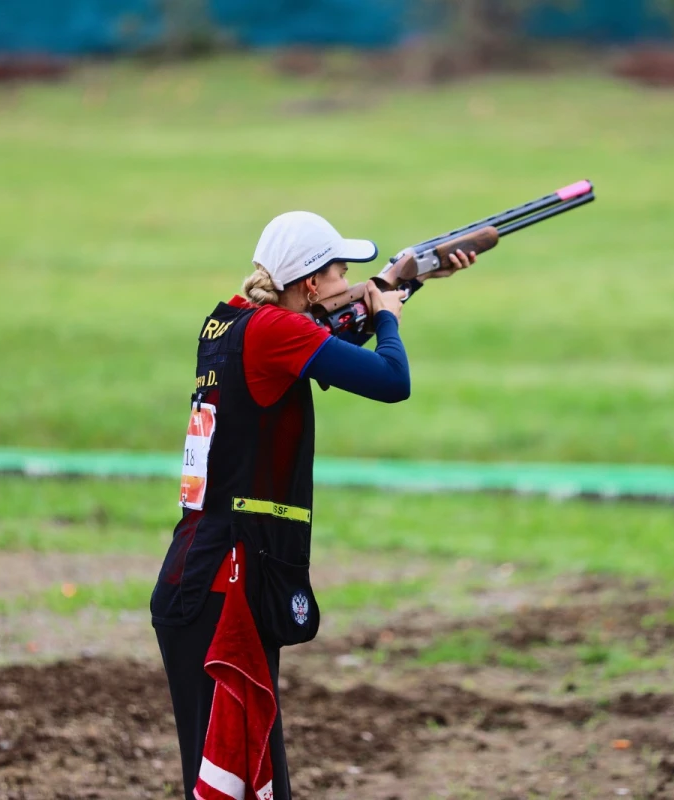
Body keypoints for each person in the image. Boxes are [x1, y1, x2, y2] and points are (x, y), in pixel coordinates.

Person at [150, 210, 474, 800]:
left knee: (250, 778)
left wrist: (407, 284)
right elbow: (390, 379)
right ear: (309, 284)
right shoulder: (276, 332)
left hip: (212, 574)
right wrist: (389, 317)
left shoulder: (238, 322)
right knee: (236, 782)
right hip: (224, 587)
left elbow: (333, 347)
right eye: (340, 272)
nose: (347, 281)